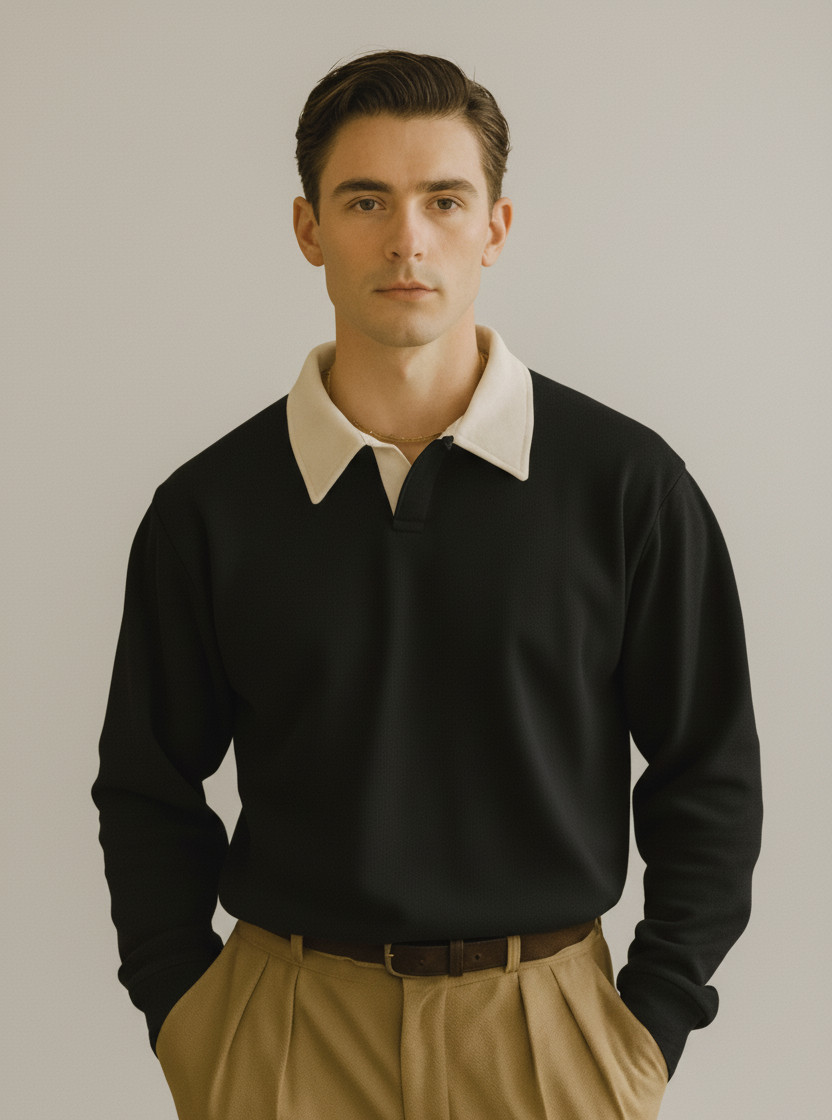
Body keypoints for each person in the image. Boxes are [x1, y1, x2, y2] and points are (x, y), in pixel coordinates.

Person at [91, 49, 763, 1120]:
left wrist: (649, 1022)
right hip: (285, 1035)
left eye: (444, 200)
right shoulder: (209, 508)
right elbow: (146, 784)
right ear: (309, 228)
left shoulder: (627, 487)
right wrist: (188, 1017)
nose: (407, 239)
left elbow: (709, 769)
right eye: (366, 201)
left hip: (549, 1037)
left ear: (495, 227)